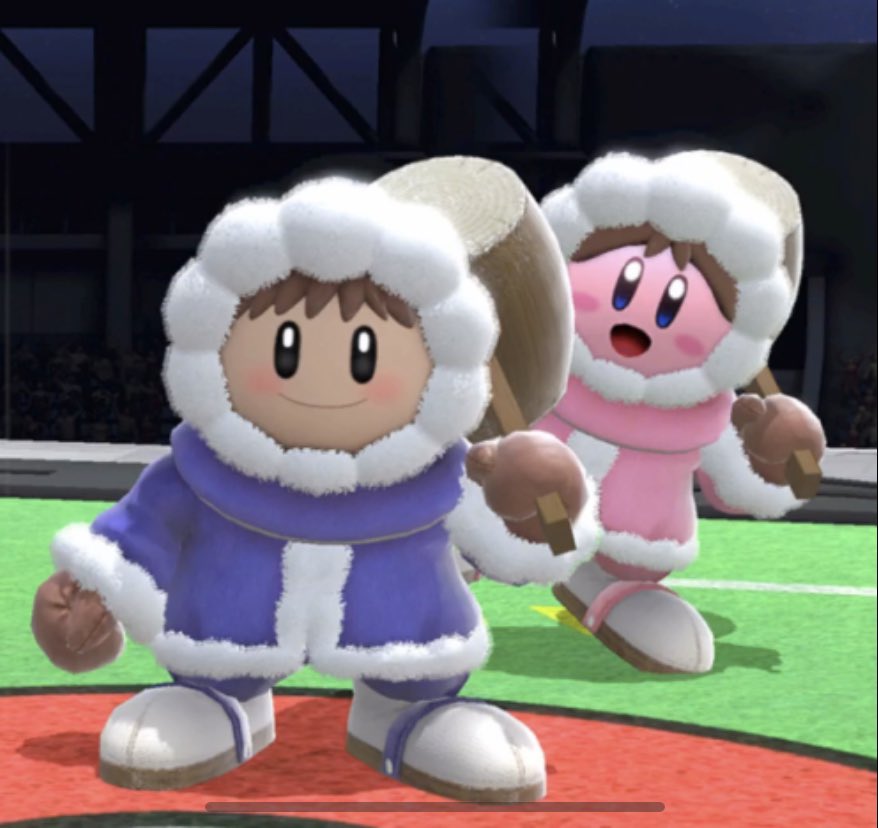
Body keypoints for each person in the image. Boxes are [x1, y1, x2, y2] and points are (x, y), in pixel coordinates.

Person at [31, 176, 599, 802]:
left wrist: (548, 507)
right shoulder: (201, 470)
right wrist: (91, 592)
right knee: (214, 668)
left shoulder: (445, 474)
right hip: (225, 643)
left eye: (365, 355)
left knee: (417, 675)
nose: (323, 382)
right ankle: (218, 704)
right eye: (286, 348)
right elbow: (135, 539)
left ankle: (410, 716)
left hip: (409, 643)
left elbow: (532, 548)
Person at [536, 150, 825, 673]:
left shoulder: (704, 410)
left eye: (675, 304)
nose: (638, 320)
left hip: (632, 544)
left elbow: (735, 485)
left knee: (633, 571)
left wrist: (776, 465)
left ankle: (607, 587)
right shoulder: (549, 370)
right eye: (624, 286)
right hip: (518, 510)